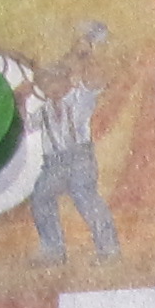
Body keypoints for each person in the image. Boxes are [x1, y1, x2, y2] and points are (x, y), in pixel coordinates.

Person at [26, 27, 118, 265]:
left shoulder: (79, 98)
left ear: (66, 80)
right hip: (53, 163)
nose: (49, 88)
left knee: (86, 199)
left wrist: (86, 55)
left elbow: (95, 81)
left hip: (79, 159)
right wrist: (19, 100)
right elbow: (26, 126)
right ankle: (53, 250)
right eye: (44, 84)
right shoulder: (44, 110)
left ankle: (108, 249)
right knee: (41, 198)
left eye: (53, 82)